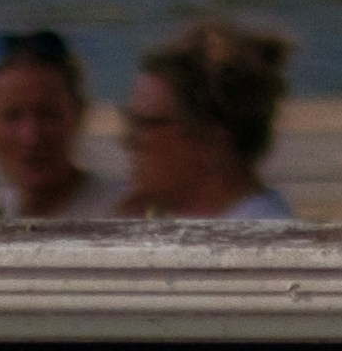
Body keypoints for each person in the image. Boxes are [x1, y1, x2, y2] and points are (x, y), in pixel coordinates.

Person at [117, 16, 299, 222]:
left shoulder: (254, 234)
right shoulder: (222, 228)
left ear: (210, 140)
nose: (129, 141)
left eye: (145, 124)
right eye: (130, 120)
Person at [0, 25, 112, 224]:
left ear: (78, 113)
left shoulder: (122, 213)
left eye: (47, 114)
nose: (31, 136)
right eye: (12, 116)